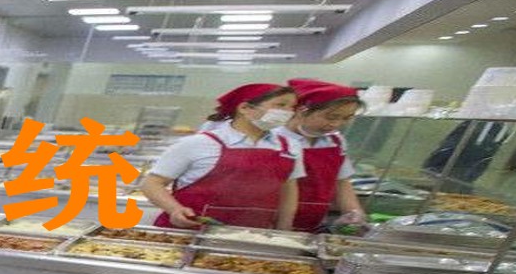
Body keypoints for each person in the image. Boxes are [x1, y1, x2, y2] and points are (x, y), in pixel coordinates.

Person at [140, 83, 303, 229]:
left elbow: (288, 190)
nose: (288, 112)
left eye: (292, 107)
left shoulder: (290, 146)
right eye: (280, 105)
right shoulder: (198, 143)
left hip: (251, 233)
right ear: (244, 108)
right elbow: (152, 184)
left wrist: (284, 229)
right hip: (191, 230)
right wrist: (175, 210)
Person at [276, 79, 368, 231]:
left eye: (346, 118)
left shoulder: (335, 141)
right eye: (331, 117)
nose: (336, 124)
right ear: (301, 111)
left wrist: (354, 213)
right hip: (274, 222)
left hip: (315, 222)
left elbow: (341, 182)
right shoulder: (274, 140)